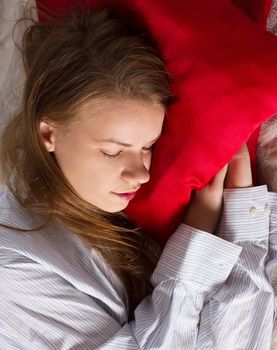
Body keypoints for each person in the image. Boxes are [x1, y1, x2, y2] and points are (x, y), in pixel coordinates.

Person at [0, 6, 275, 349]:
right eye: (113, 151)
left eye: (148, 147)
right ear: (48, 132)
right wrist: (218, 231)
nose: (142, 174)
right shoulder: (13, 266)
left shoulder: (101, 209)